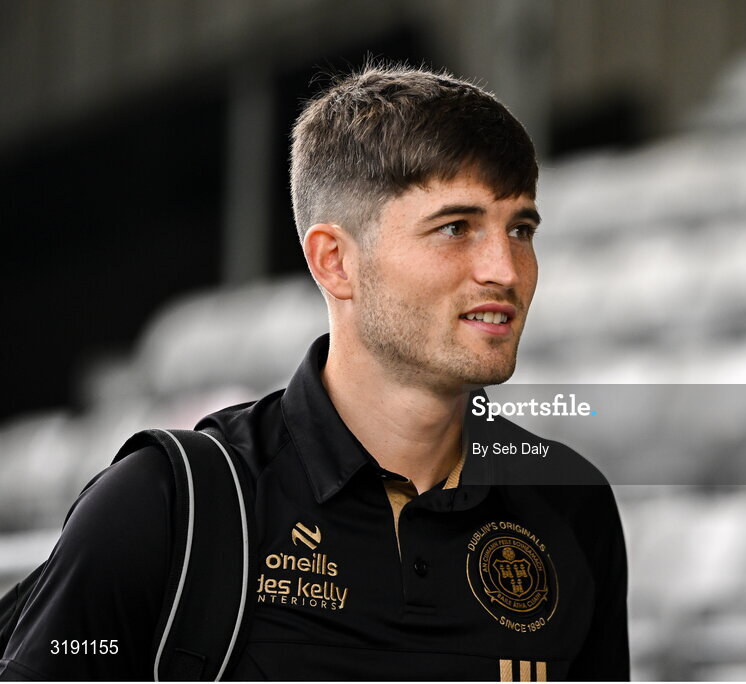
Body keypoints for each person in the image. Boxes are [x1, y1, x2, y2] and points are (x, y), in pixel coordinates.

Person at [0, 63, 629, 681]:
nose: (505, 268)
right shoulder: (165, 506)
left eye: (521, 228)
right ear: (334, 261)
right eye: (456, 228)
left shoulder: (572, 508)